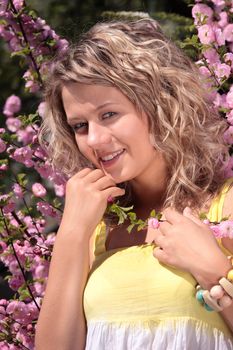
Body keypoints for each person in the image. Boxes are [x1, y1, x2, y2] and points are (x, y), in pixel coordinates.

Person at [35, 18, 233, 350]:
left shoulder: (224, 207)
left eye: (108, 114)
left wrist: (215, 271)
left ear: (160, 105)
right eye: (80, 126)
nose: (94, 140)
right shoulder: (93, 228)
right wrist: (71, 232)